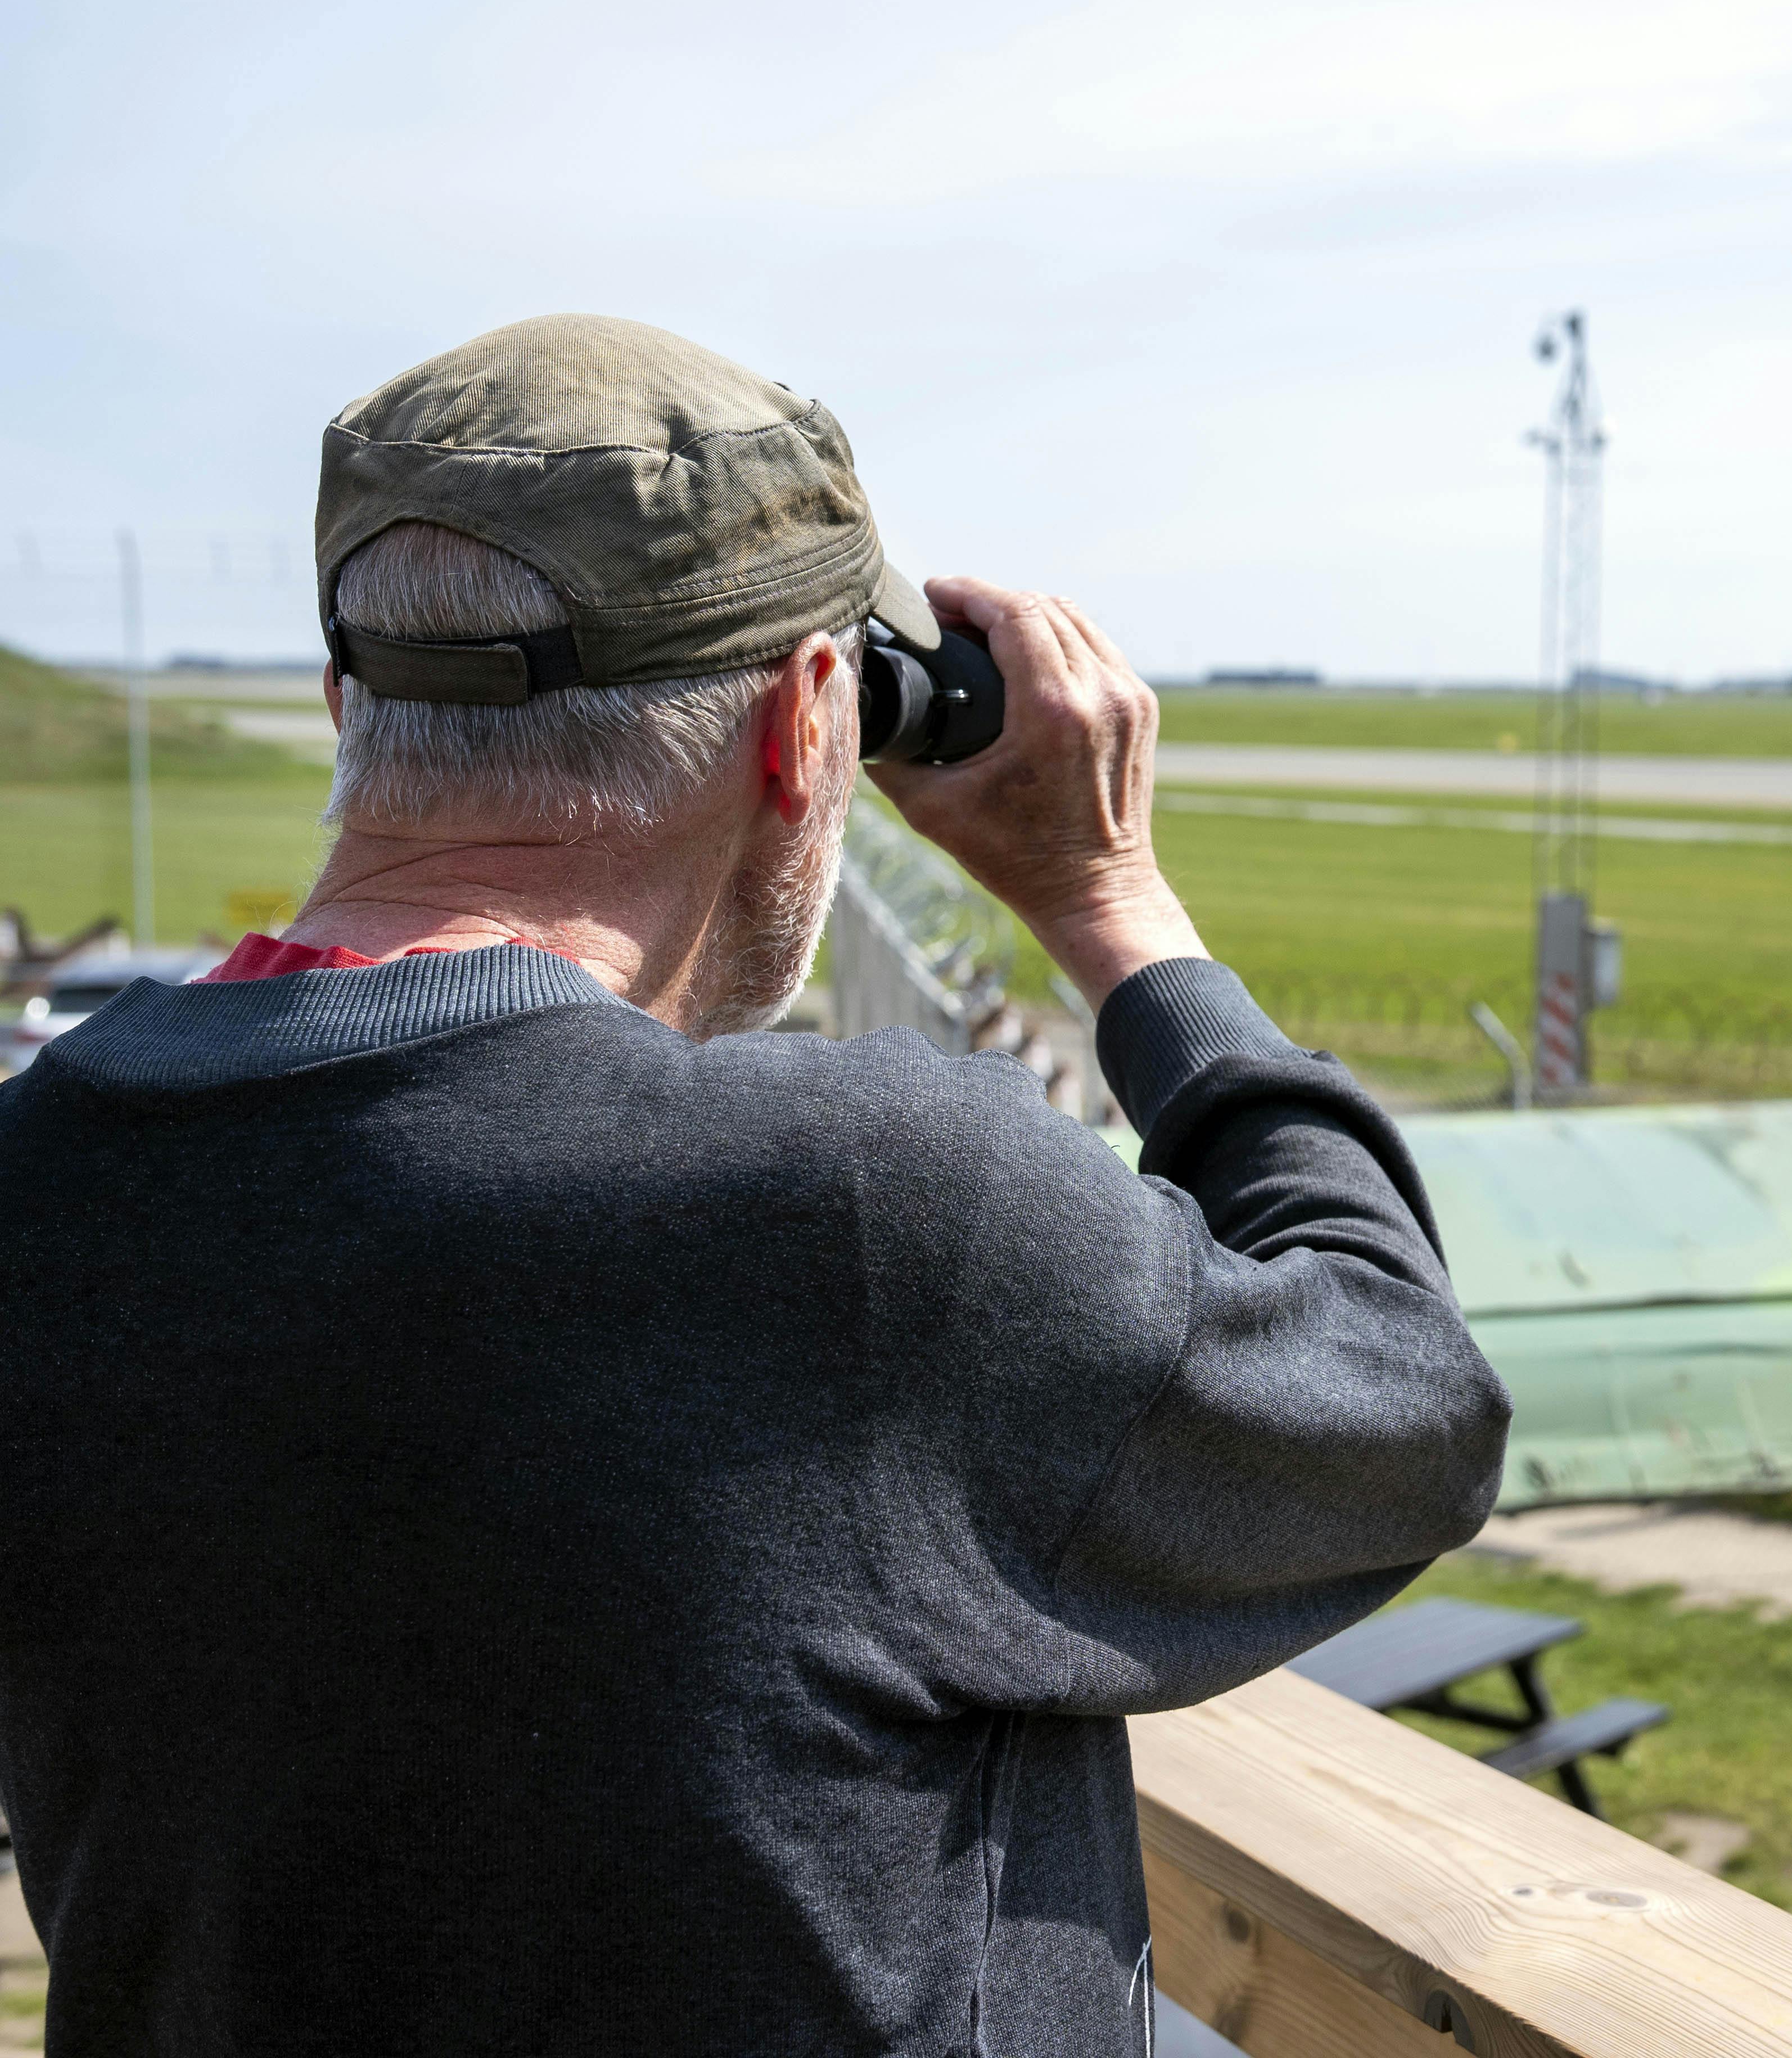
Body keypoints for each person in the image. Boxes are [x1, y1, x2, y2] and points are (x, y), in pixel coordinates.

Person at [0, 315, 1511, 2056]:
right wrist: (1111, 901)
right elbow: (1401, 1408)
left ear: (351, 703)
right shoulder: (852, 1212)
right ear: (811, 720)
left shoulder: (42, 1178)